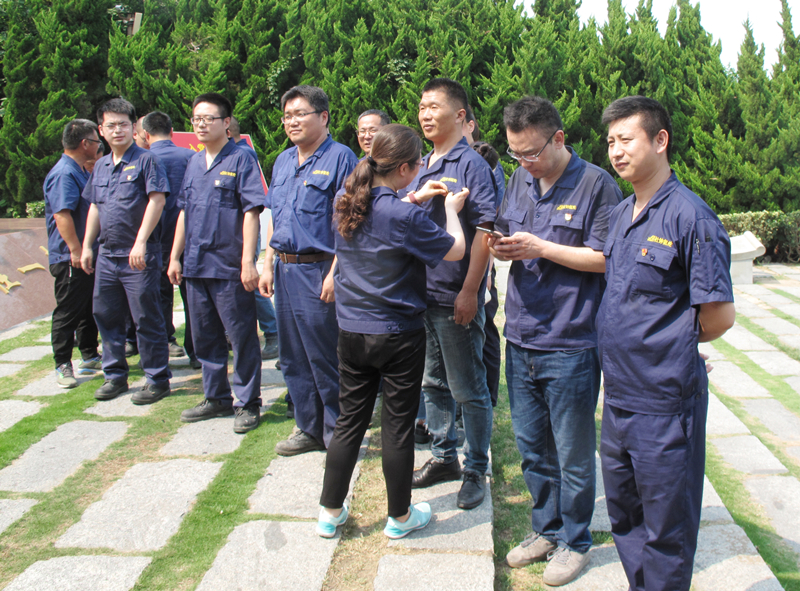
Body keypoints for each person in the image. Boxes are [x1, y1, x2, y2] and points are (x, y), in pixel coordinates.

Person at [597, 96, 735, 591]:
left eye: (626, 139)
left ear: (660, 140)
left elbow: (719, 316)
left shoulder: (691, 218)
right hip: (619, 396)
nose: (616, 151)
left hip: (664, 402)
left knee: (667, 530)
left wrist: (674, 344)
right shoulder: (621, 214)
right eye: (610, 141)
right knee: (625, 516)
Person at [487, 96, 622, 586]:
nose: (524, 162)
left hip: (571, 340)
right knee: (531, 447)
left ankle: (576, 541)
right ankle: (546, 529)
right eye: (515, 153)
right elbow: (506, 229)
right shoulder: (519, 179)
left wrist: (541, 247)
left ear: (559, 138)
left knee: (573, 453)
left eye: (531, 153)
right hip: (522, 334)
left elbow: (605, 258)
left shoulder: (596, 185)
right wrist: (501, 246)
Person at [316, 124, 468, 540]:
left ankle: (330, 511)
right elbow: (455, 250)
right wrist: (451, 211)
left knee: (350, 420)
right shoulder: (402, 215)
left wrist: (413, 198)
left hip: (352, 329)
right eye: (417, 166)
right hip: (398, 334)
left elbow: (383, 216)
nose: (419, 171)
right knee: (397, 427)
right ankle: (399, 516)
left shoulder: (346, 201)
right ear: (404, 168)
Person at [401, 78, 496, 511]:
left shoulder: (471, 164)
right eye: (421, 106)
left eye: (433, 106)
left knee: (468, 387)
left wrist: (470, 290)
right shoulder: (422, 163)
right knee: (433, 382)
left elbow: (485, 232)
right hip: (421, 294)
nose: (424, 114)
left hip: (454, 294)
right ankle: (443, 456)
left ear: (460, 115)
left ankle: (476, 467)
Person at [259, 85, 358, 456]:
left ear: (323, 117)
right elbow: (276, 216)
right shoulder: (284, 160)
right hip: (284, 269)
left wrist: (335, 272)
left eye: (300, 114)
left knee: (325, 355)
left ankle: (338, 434)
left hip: (320, 270)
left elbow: (350, 223)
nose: (292, 122)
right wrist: (266, 263)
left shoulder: (341, 157)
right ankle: (308, 427)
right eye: (287, 116)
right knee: (293, 356)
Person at [168, 92, 264, 434]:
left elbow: (251, 212)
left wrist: (248, 261)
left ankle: (248, 402)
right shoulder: (194, 162)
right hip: (195, 264)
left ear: (226, 123)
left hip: (228, 265)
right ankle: (216, 397)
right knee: (204, 335)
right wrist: (175, 256)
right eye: (196, 119)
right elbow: (184, 211)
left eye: (208, 118)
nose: (201, 125)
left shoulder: (241, 159)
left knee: (241, 336)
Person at [80, 98, 171, 404]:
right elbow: (95, 206)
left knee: (146, 317)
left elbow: (157, 200)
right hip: (107, 255)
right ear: (101, 130)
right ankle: (115, 375)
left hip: (138, 257)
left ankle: (157, 378)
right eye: (111, 125)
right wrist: (87, 246)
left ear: (134, 128)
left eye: (123, 124)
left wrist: (141, 241)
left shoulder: (147, 160)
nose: (117, 130)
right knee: (105, 315)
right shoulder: (101, 165)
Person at [43, 119, 102, 388]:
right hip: (70, 256)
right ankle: (62, 363)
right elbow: (62, 214)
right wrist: (76, 250)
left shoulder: (79, 170)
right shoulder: (64, 174)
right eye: (96, 141)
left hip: (86, 253)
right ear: (85, 144)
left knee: (88, 307)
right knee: (68, 311)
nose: (99, 146)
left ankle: (89, 354)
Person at [141, 111, 199, 367]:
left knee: (158, 296)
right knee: (193, 297)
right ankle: (196, 351)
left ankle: (166, 342)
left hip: (154, 239)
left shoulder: (142, 160)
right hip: (188, 237)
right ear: (172, 131)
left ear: (145, 134)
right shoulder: (191, 157)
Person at [462, 109, 505, 408]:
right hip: (456, 264)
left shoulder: (486, 160)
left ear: (469, 124)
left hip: (482, 263)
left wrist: (487, 270)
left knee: (485, 328)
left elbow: (492, 222)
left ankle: (487, 395)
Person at [227, 116, 279, 360]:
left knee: (249, 281)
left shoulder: (242, 155)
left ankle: (272, 332)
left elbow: (252, 206)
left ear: (227, 130)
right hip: (232, 233)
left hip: (243, 231)